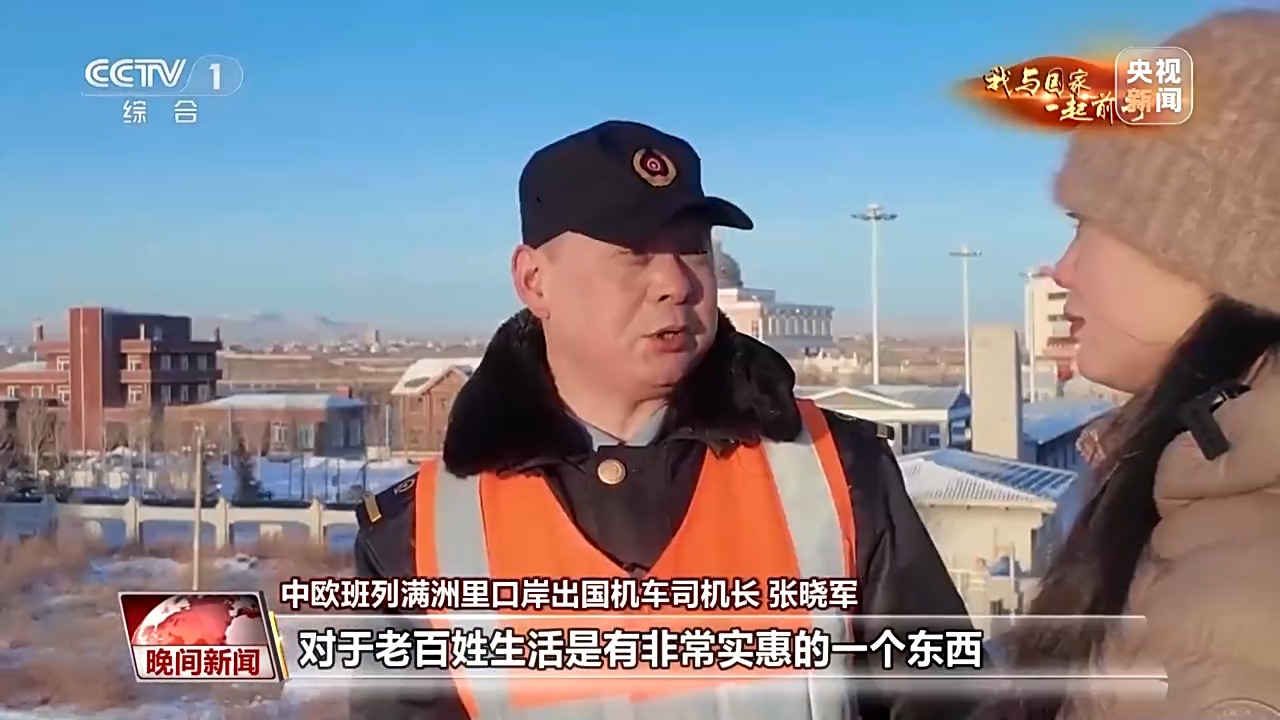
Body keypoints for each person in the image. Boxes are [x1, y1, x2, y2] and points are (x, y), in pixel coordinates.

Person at [348, 120, 978, 719]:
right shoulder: (420, 536)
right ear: (535, 280)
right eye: (633, 252)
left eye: (693, 249)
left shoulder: (839, 474)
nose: (676, 283)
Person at [989, 9, 1280, 720]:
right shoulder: (1205, 491)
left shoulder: (1237, 590)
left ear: (1214, 245)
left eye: (1088, 225)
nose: (1062, 270)